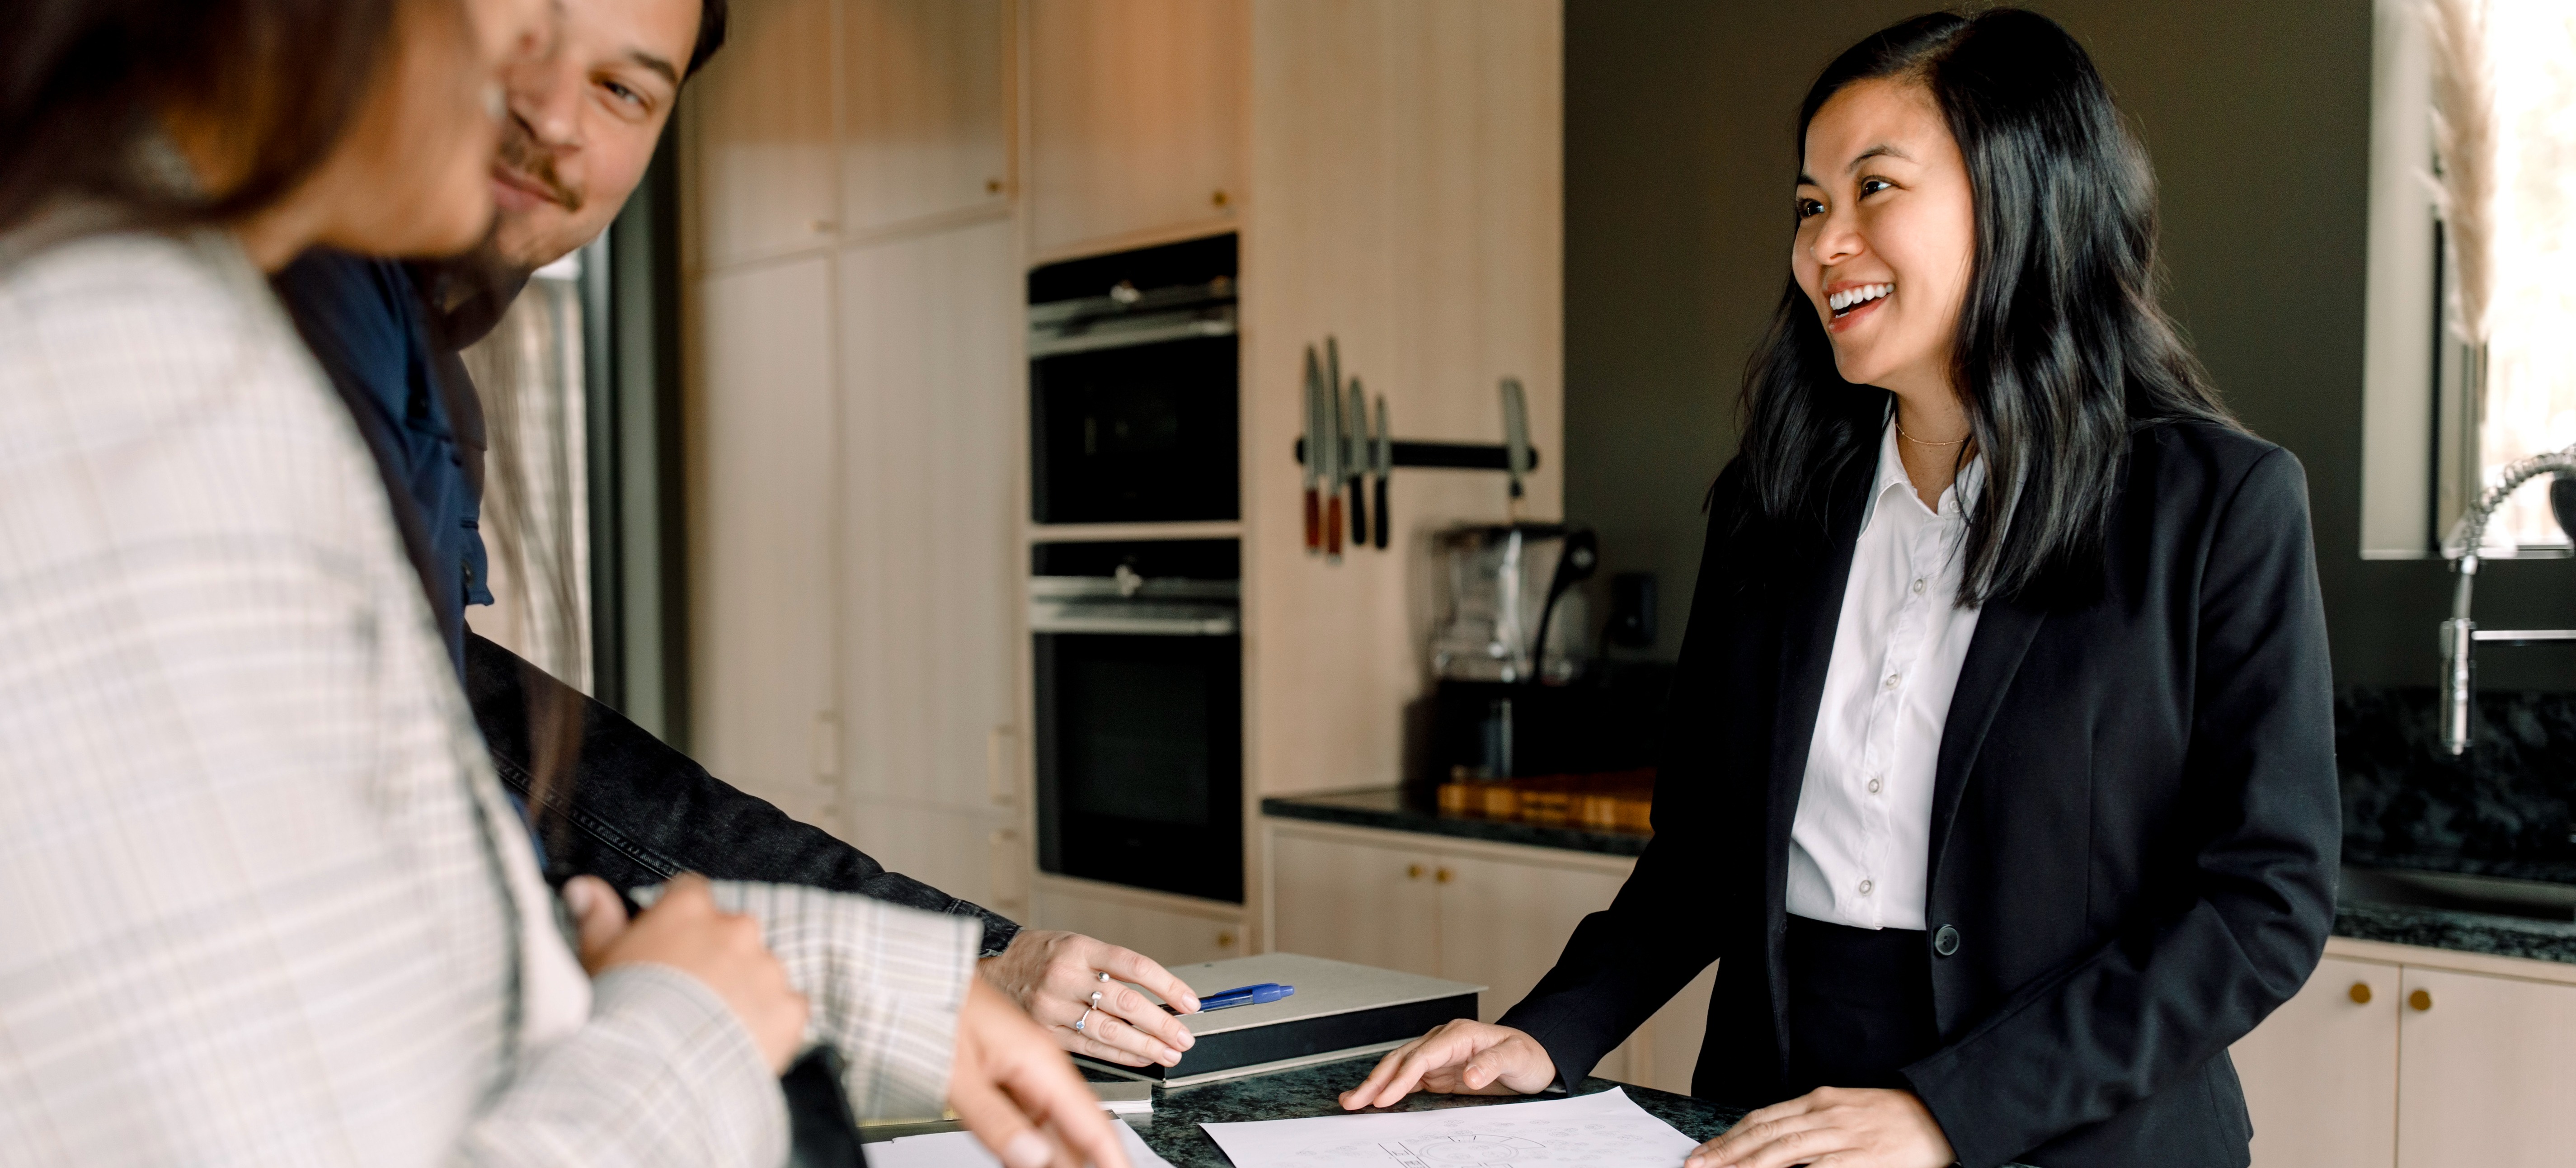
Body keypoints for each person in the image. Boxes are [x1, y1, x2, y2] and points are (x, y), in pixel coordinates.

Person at [0, 3, 1126, 1166]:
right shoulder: (138, 393)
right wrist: (704, 1025)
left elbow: (392, 897)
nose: (539, 104)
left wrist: (855, 967)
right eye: (522, 15)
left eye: (622, 89)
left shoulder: (243, 330)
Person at [1336, 11, 2338, 1168]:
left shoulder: (2216, 504)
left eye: (1876, 190)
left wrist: (1945, 1109)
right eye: (1812, 205)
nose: (1826, 244)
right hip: (1778, 1119)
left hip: (2084, 1135)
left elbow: (2260, 901)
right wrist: (1547, 1030)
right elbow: (1708, 848)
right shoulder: (1775, 503)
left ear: (2023, 196)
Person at [268, 0, 1210, 1077]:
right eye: (521, 40)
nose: (554, 119)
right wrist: (939, 972)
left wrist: (959, 964)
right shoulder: (303, 314)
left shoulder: (404, 348)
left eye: (623, 90)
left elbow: (523, 763)